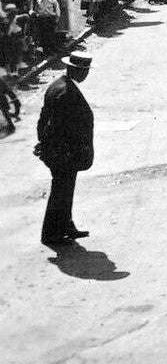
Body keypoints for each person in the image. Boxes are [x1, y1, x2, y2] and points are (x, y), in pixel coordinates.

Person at [36, 52, 94, 247]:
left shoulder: (59, 85)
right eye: (84, 71)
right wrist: (50, 146)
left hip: (62, 151)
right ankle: (51, 233)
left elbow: (43, 119)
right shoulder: (65, 92)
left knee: (65, 189)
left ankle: (66, 226)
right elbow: (54, 124)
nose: (86, 75)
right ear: (76, 70)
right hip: (63, 152)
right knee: (61, 190)